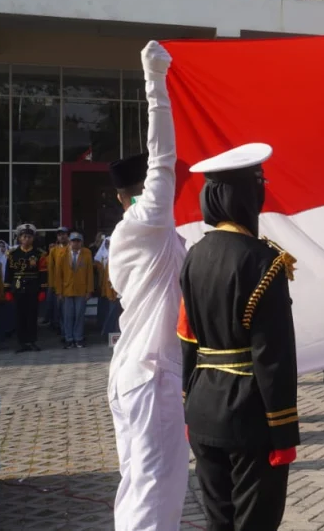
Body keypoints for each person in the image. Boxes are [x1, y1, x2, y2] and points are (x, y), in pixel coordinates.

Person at [178, 142, 299, 530]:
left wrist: (187, 406)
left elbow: (187, 340)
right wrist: (283, 431)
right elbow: (274, 356)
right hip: (249, 414)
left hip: (202, 407)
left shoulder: (194, 255)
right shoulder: (264, 262)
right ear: (250, 195)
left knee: (219, 520)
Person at [106, 41, 190, 530]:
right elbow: (163, 159)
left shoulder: (140, 234)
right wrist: (154, 81)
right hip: (152, 376)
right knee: (156, 494)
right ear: (135, 195)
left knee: (140, 487)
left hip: (136, 374)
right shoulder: (146, 222)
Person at [5, 225, 48, 352]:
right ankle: (21, 342)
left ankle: (32, 341)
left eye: (29, 237)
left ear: (33, 238)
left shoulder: (39, 254)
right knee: (20, 316)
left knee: (32, 316)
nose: (27, 239)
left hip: (33, 287)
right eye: (24, 236)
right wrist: (7, 289)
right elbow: (9, 273)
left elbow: (43, 273)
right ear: (19, 238)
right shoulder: (13, 254)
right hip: (18, 288)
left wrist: (42, 289)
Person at [54, 232, 94, 349]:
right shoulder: (62, 253)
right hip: (66, 290)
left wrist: (89, 290)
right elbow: (58, 274)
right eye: (73, 241)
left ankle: (78, 338)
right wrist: (59, 291)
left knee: (79, 315)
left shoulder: (87, 253)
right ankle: (68, 339)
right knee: (67, 316)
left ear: (81, 242)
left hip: (81, 290)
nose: (75, 243)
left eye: (78, 241)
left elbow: (90, 273)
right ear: (69, 242)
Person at [44, 227, 70, 330]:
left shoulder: (73, 248)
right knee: (59, 309)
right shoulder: (54, 250)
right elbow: (50, 268)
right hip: (58, 284)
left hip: (71, 283)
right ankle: (63, 331)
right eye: (59, 235)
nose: (62, 236)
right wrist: (51, 284)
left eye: (64, 234)